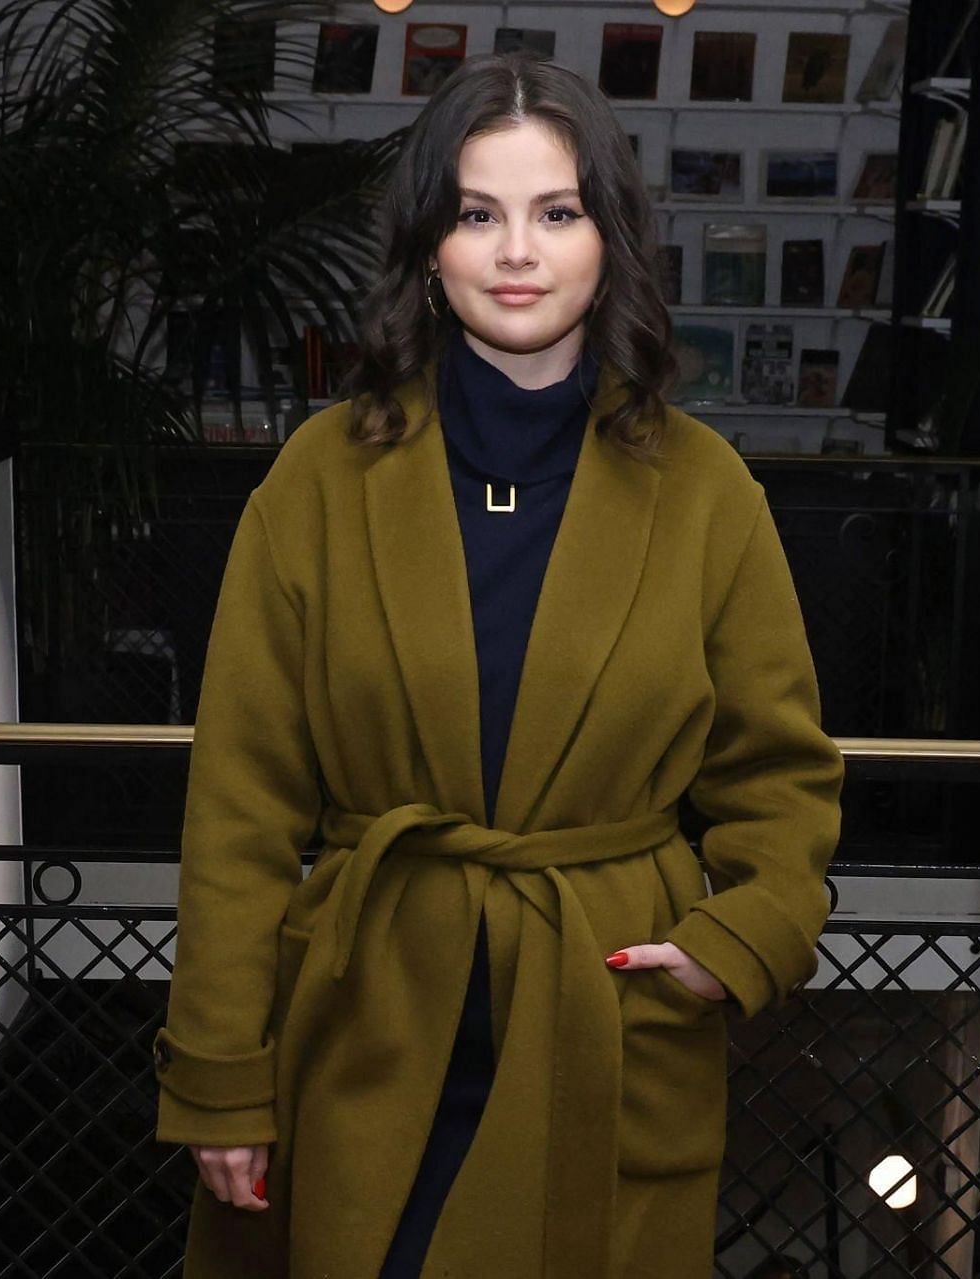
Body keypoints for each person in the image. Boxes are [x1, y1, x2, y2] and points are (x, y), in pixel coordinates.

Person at [152, 50, 845, 1279]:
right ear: (430, 245)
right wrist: (220, 1074)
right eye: (479, 214)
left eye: (557, 212)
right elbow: (242, 806)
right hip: (369, 1020)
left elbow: (782, 779)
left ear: (610, 238)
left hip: (602, 1022)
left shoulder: (704, 493)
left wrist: (733, 941)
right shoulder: (319, 479)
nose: (517, 250)